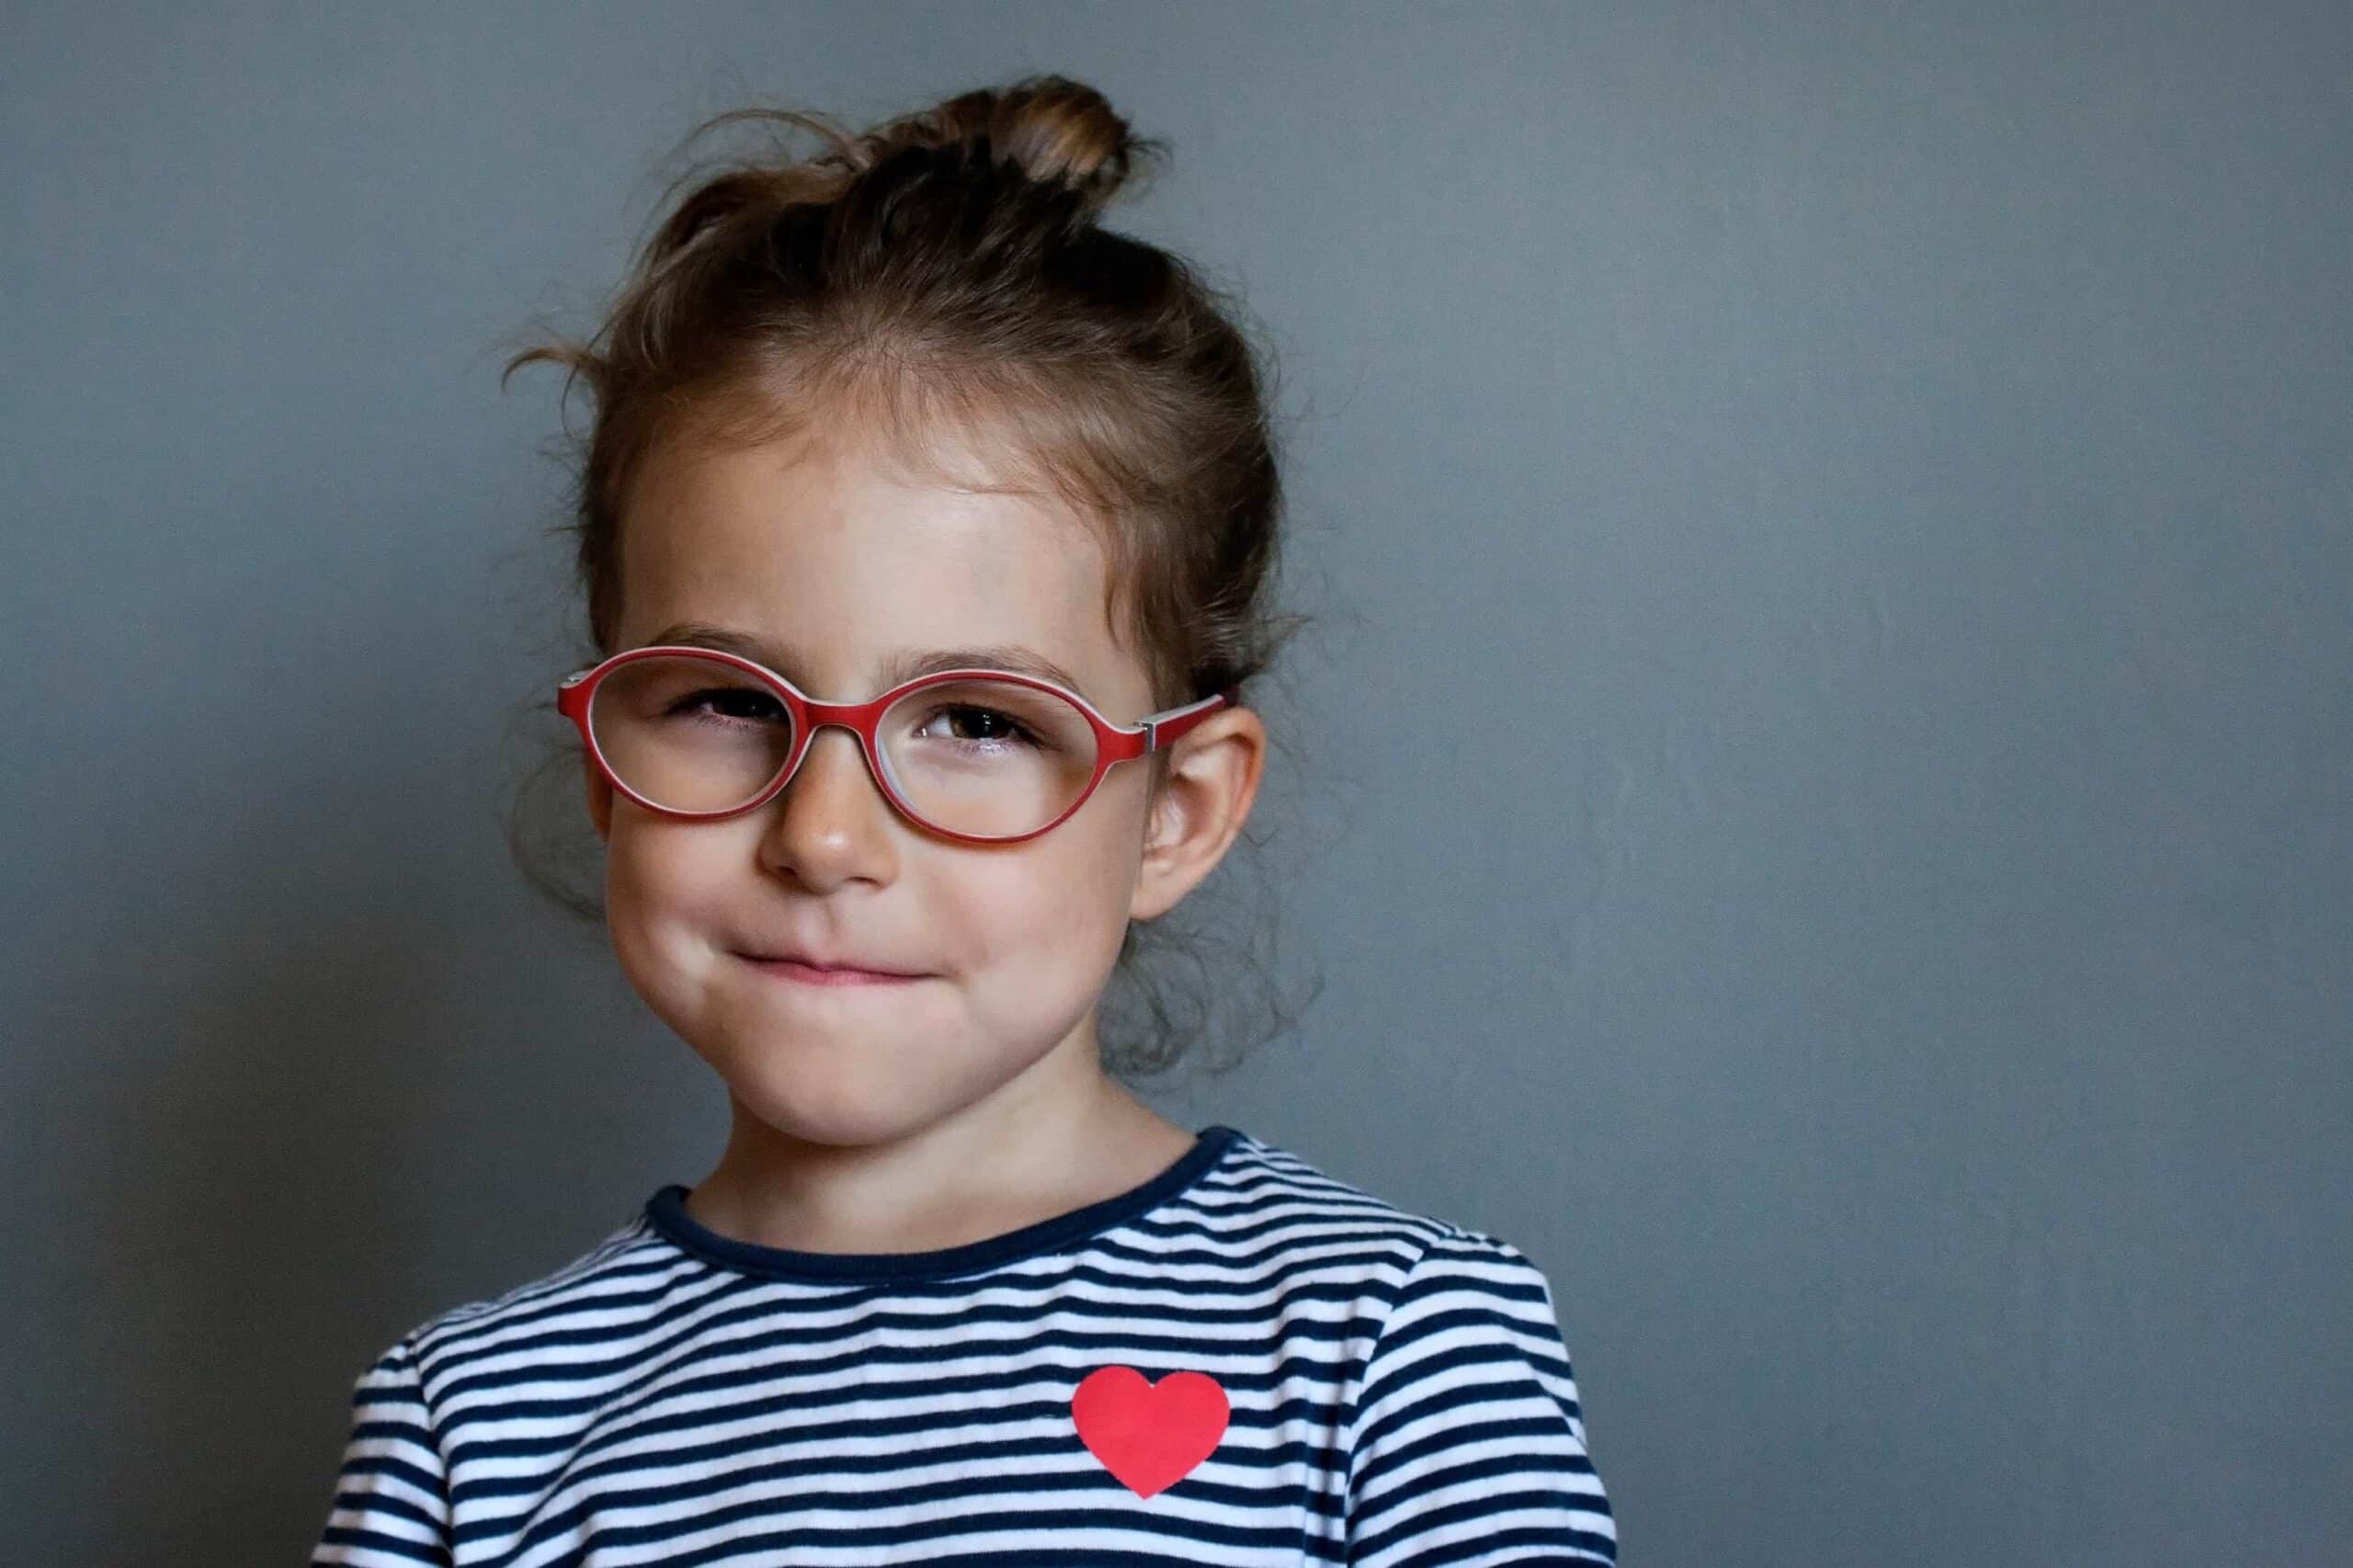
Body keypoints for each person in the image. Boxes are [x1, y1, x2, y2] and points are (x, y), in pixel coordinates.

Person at [310, 74, 1616, 1566]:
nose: (826, 836)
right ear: (609, 754)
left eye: (982, 722)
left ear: (1176, 813)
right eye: (726, 701)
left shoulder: (1392, 1352)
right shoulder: (473, 1429)